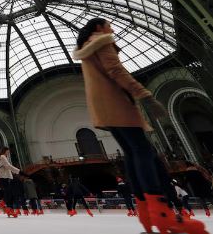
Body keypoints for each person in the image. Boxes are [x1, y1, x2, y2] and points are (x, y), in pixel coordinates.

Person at [73, 18, 207, 234]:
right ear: (99, 28)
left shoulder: (86, 51)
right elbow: (116, 71)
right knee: (143, 152)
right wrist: (144, 95)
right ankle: (162, 213)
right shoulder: (101, 41)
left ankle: (147, 213)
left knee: (135, 154)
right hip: (117, 103)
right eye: (109, 25)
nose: (112, 28)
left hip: (104, 108)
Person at [0, 146, 21, 217]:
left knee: (9, 192)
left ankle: (8, 209)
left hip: (4, 176)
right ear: (5, 151)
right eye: (8, 151)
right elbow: (8, 166)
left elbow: (6, 166)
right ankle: (6, 207)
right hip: (4, 176)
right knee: (8, 192)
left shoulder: (2, 157)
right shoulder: (2, 157)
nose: (8, 152)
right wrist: (18, 171)